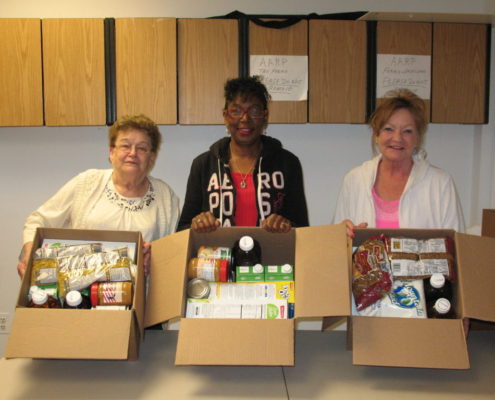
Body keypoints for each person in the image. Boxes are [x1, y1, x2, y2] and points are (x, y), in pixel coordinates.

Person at [17, 114, 180, 277]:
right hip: (81, 292)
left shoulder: (165, 196)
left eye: (142, 148)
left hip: (141, 296)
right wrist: (30, 255)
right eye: (125, 146)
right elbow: (37, 221)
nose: (132, 153)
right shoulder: (87, 182)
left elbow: (174, 252)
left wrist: (155, 257)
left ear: (151, 158)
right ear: (111, 152)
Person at [178, 76, 309, 233]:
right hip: (218, 256)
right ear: (226, 116)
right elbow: (183, 228)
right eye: (236, 111)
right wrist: (198, 223)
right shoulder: (204, 165)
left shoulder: (287, 163)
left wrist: (285, 226)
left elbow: (302, 229)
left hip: (272, 255)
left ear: (265, 116)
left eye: (254, 111)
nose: (245, 118)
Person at [334, 89, 465, 237]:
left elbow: (457, 248)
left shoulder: (440, 183)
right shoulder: (354, 180)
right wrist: (342, 234)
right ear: (376, 135)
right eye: (389, 129)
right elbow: (335, 247)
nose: (397, 138)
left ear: (417, 138)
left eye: (407, 131)